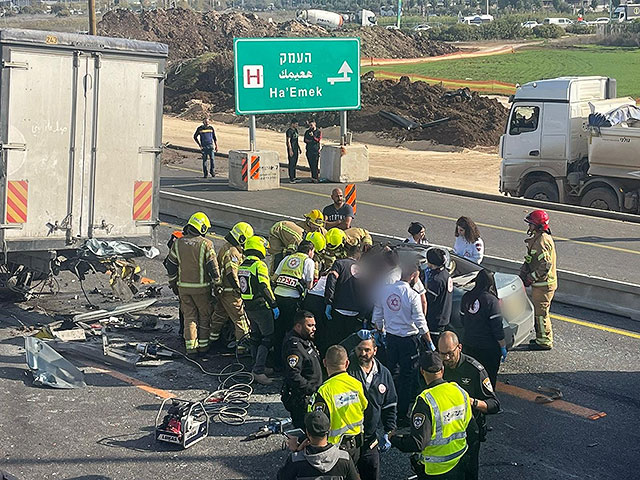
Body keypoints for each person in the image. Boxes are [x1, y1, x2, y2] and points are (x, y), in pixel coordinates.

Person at [390, 351, 472, 480]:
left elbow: (417, 443)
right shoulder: (459, 391)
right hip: (460, 461)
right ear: (442, 369)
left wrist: (393, 439)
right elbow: (468, 424)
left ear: (422, 371)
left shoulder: (425, 401)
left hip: (435, 470)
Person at [372, 264, 434, 426]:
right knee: (407, 377)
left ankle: (384, 407)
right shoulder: (412, 295)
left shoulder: (384, 291)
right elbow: (420, 322)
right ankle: (400, 414)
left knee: (390, 373)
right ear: (413, 275)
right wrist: (429, 342)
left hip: (391, 339)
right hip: (409, 340)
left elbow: (377, 315)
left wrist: (379, 332)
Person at [439, 332, 500, 480]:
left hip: (469, 432)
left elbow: (494, 405)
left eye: (449, 353)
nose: (446, 358)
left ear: (459, 347)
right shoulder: (438, 366)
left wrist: (471, 401)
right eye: (442, 354)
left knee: (469, 472)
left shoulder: (474, 370)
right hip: (445, 432)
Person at [164, 212, 220, 356]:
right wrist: (217, 283)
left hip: (183, 288)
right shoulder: (206, 244)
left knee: (189, 317)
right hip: (201, 289)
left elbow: (170, 265)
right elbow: (213, 267)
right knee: (204, 316)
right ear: (202, 229)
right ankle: (203, 347)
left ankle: (191, 348)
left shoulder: (178, 243)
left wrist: (173, 283)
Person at [348, 335, 398, 480]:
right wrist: (353, 337)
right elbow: (335, 352)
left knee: (372, 472)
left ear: (375, 350)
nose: (363, 353)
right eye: (359, 349)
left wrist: (389, 431)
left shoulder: (384, 374)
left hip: (370, 438)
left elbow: (390, 405)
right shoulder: (348, 371)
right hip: (350, 438)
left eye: (367, 350)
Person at [309, 345, 368, 463]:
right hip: (355, 446)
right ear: (347, 364)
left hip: (334, 450)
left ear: (325, 363)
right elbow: (366, 407)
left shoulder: (324, 391)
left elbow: (317, 424)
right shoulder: (357, 384)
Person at [238, 236, 280, 385]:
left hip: (249, 306)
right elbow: (264, 286)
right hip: (261, 307)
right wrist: (274, 304)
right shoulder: (259, 265)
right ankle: (259, 371)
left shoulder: (243, 265)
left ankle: (256, 366)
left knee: (255, 337)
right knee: (268, 338)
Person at [210, 222, 254, 354]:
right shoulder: (233, 252)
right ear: (242, 238)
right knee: (241, 320)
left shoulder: (226, 247)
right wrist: (240, 290)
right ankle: (242, 348)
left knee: (219, 316)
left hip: (223, 291)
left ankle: (211, 341)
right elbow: (231, 273)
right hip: (231, 293)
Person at [272, 240, 317, 370]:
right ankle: (291, 362)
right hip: (292, 301)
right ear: (310, 251)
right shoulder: (308, 261)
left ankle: (277, 362)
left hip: (278, 297)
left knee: (278, 332)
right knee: (292, 332)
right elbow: (309, 285)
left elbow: (275, 277)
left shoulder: (287, 258)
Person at [278, 411, 360, 480]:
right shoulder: (344, 458)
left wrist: (296, 451)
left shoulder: (296, 460)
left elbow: (281, 477)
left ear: (307, 433)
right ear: (329, 430)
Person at [459, 270, 507, 388]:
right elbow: (497, 328)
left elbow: (462, 319)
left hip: (469, 344)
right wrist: (502, 346)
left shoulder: (466, 297)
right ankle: (487, 403)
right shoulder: (491, 301)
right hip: (488, 348)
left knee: (470, 377)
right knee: (488, 378)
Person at [519, 209, 557, 351]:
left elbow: (545, 265)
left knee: (541, 314)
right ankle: (542, 337)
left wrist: (531, 277)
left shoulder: (541, 241)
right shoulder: (539, 238)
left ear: (538, 226)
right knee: (540, 312)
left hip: (543, 285)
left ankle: (544, 341)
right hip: (541, 284)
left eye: (531, 224)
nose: (529, 227)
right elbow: (533, 259)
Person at [281, 311, 323, 430]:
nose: (314, 328)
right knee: (304, 432)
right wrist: (311, 389)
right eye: (309, 326)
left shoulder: (305, 339)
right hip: (302, 399)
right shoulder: (294, 346)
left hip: (310, 396)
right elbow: (293, 375)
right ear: (298, 326)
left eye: (314, 325)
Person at [324, 244, 368, 349]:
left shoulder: (339, 264)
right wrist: (364, 313)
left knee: (335, 341)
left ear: (348, 254)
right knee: (349, 343)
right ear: (359, 257)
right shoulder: (364, 270)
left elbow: (331, 281)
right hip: (355, 312)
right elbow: (367, 291)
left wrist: (328, 302)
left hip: (339, 308)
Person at [425, 248, 453, 342]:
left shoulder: (436, 280)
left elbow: (428, 299)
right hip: (444, 316)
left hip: (435, 319)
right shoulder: (446, 274)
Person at [286, 118, 301, 184]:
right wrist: (290, 150)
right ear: (292, 124)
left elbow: (296, 140)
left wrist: (299, 148)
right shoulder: (289, 131)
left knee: (295, 163)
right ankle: (291, 178)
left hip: (296, 148)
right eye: (296, 124)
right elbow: (288, 141)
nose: (296, 125)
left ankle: (294, 177)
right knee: (291, 163)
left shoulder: (296, 130)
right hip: (291, 149)